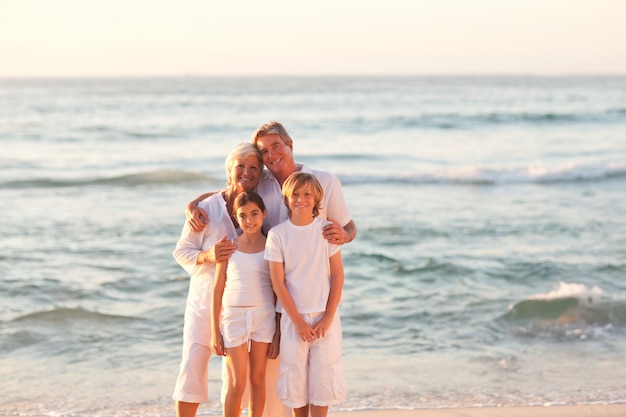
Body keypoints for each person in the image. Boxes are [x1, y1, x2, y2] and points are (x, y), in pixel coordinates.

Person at [171, 143, 271, 417]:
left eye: (254, 167)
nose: (247, 172)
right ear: (230, 170)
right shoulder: (205, 209)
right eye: (241, 166)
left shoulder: (256, 206)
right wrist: (208, 255)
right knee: (193, 365)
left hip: (241, 306)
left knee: (235, 379)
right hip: (205, 301)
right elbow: (181, 251)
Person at [186, 121, 357, 245]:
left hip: (315, 278)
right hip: (273, 280)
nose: (272, 155)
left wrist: (344, 235)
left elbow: (349, 227)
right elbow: (229, 191)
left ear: (290, 145)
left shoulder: (325, 181)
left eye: (276, 146)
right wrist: (193, 205)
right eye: (265, 151)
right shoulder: (259, 182)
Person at [265, 172, 347, 417]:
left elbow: (338, 277)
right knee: (295, 378)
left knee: (324, 375)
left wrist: (327, 318)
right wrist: (299, 322)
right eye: (295, 195)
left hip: (325, 317)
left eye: (307, 195)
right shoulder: (278, 235)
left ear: (316, 198)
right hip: (293, 320)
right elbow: (278, 283)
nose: (301, 199)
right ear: (287, 199)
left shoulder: (326, 231)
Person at [211, 191, 279, 417]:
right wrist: (214, 332)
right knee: (237, 382)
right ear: (236, 218)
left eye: (254, 214)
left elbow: (278, 289)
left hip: (264, 317)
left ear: (264, 214)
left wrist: (278, 331)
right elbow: (218, 289)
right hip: (234, 318)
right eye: (243, 216)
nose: (249, 220)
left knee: (258, 378)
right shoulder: (228, 247)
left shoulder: (273, 246)